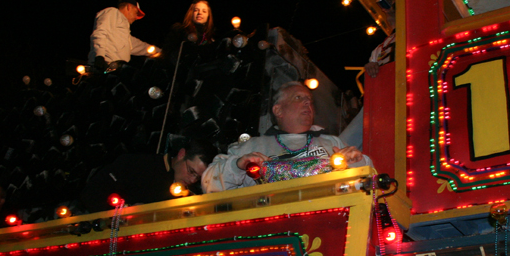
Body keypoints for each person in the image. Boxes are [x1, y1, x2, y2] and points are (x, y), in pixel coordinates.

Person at [201, 81, 373, 192]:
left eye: (309, 100)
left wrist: (358, 162)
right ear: (278, 110)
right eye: (299, 98)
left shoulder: (332, 143)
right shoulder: (250, 147)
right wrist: (238, 165)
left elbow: (369, 182)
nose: (308, 103)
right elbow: (209, 184)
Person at [79, 138, 214, 212]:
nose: (192, 180)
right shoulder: (137, 164)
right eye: (191, 171)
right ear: (181, 154)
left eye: (197, 178)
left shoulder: (191, 193)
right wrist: (124, 210)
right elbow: (91, 194)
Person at [88, 0, 156, 70]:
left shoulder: (124, 33)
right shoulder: (113, 12)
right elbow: (100, 32)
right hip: (105, 65)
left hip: (117, 70)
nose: (136, 17)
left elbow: (138, 45)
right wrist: (99, 56)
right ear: (128, 7)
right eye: (136, 13)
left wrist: (161, 52)